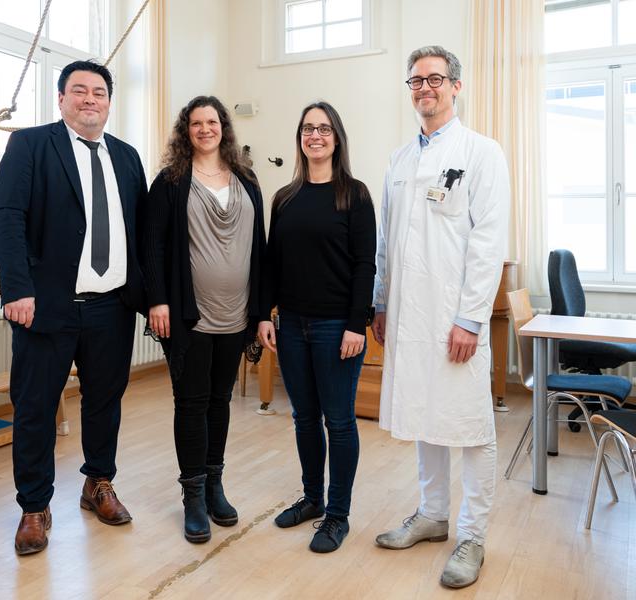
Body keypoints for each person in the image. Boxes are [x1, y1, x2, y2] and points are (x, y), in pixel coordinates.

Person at [0, 60, 148, 556]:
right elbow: (6, 216)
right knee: (35, 409)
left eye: (98, 92)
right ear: (60, 99)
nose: (89, 99)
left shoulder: (127, 157)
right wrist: (17, 289)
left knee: (105, 403)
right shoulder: (31, 145)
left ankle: (98, 483)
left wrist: (147, 298)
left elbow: (140, 234)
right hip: (46, 308)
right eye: (78, 90)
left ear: (108, 102)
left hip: (111, 309)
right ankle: (34, 506)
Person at [372, 46, 510, 588]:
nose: (424, 87)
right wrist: (382, 301)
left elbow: (487, 242)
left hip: (456, 319)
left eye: (435, 78)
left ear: (456, 86)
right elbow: (388, 241)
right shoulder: (401, 160)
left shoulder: (481, 153)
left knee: (472, 426)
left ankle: (472, 534)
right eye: (415, 80)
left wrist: (471, 319)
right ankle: (432, 515)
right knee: (425, 415)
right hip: (409, 315)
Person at [142, 96, 266, 544]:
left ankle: (215, 485)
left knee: (220, 401)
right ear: (185, 130)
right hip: (190, 316)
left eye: (212, 121)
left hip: (236, 316)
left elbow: (261, 249)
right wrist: (158, 301)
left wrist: (260, 311)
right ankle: (192, 494)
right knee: (191, 403)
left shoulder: (247, 180)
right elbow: (152, 247)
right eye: (196, 123)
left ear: (224, 128)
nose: (205, 129)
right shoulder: (171, 182)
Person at [258, 101, 376, 554]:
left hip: (335, 329)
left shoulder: (355, 195)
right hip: (290, 325)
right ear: (300, 138)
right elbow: (272, 264)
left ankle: (338, 515)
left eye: (324, 128)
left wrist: (355, 325)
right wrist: (264, 315)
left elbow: (366, 265)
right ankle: (311, 499)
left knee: (339, 421)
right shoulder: (285, 199)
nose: (316, 136)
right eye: (308, 128)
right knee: (304, 418)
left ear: (337, 137)